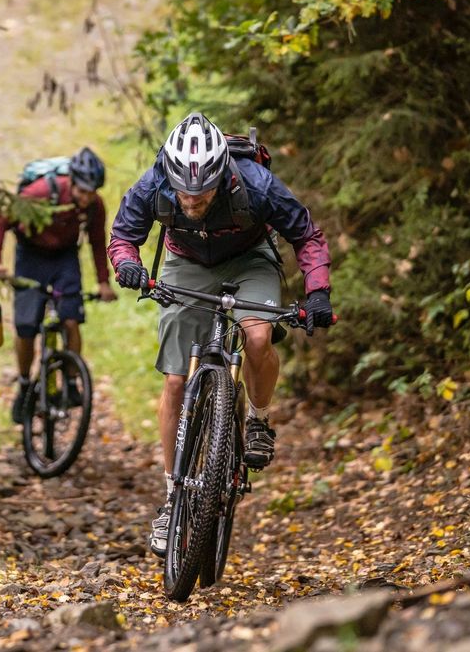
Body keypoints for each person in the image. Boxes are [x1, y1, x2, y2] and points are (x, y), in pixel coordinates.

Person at [107, 113, 335, 557]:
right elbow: (123, 235)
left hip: (250, 259)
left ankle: (259, 420)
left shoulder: (256, 184)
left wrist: (318, 292)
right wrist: (128, 265)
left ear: (223, 175)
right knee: (175, 381)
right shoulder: (154, 183)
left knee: (257, 336)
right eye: (184, 192)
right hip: (185, 263)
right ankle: (174, 499)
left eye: (204, 192)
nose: (192, 201)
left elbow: (306, 235)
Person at [0, 147, 117, 422]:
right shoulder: (40, 192)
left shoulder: (94, 206)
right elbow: (2, 218)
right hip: (30, 256)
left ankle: (71, 380)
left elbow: (96, 242)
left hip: (65, 259)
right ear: (71, 181)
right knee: (25, 327)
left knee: (71, 320)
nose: (86, 197)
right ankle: (24, 385)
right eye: (82, 190)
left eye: (92, 191)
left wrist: (104, 282)